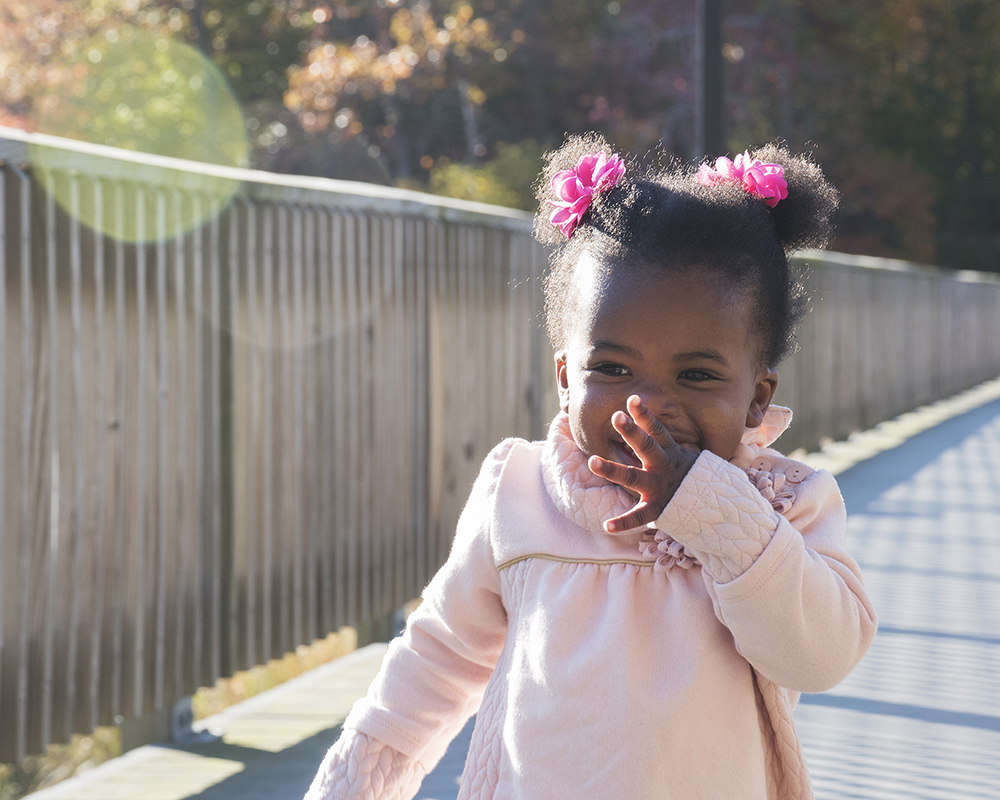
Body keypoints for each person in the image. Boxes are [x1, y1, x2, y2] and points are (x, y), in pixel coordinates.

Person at [303, 133, 877, 800]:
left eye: (696, 375)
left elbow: (822, 654)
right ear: (566, 380)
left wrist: (714, 511)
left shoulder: (782, 504)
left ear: (757, 399)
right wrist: (355, 785)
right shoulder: (519, 492)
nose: (649, 404)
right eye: (611, 368)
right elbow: (437, 659)